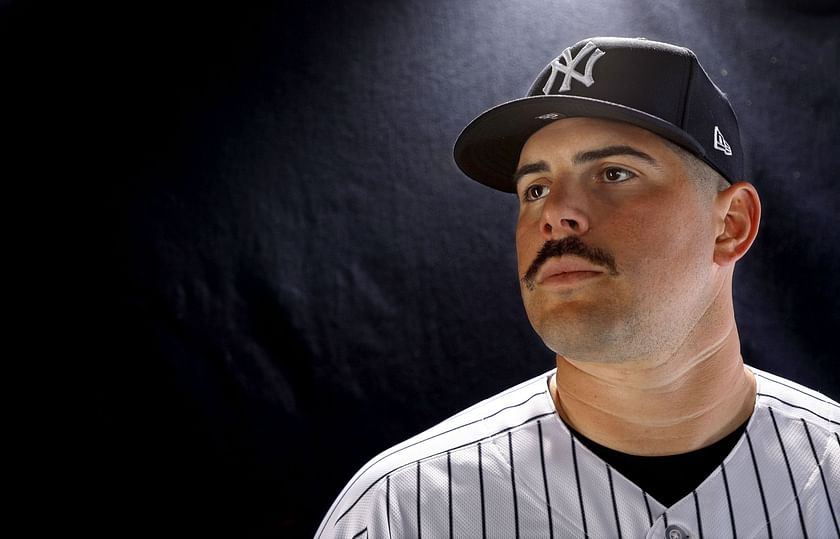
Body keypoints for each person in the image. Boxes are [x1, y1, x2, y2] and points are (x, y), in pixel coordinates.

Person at [315, 36, 839, 539]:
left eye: (613, 174)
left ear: (731, 224)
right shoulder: (400, 510)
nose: (555, 213)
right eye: (535, 188)